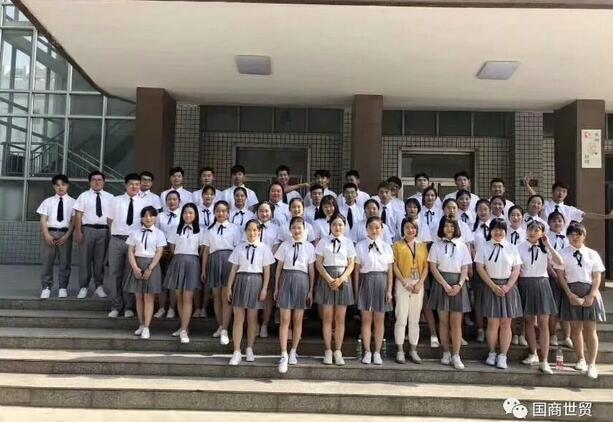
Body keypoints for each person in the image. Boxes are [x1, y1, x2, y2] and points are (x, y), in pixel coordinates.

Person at [554, 222, 606, 379]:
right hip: (571, 291)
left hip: (590, 291)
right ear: (568, 236)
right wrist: (569, 294)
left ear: (584, 236)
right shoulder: (562, 253)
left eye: (578, 234)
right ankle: (581, 359)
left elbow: (597, 276)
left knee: (590, 328)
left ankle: (592, 363)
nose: (575, 237)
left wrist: (591, 295)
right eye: (572, 234)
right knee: (576, 329)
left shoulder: (592, 254)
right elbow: (560, 277)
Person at [475, 218, 523, 369]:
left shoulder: (512, 247)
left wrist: (508, 286)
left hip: (508, 287)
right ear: (490, 231)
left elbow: (516, 268)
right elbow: (480, 268)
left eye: (501, 229)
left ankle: (503, 355)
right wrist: (492, 286)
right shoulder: (484, 246)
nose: (498, 232)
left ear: (505, 231)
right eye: (495, 229)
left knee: (506, 323)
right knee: (492, 322)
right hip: (490, 286)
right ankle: (492, 352)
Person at [517, 220, 563, 375]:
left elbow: (560, 261)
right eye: (530, 229)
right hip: (525, 283)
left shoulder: (546, 248)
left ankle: (544, 360)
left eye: (537, 230)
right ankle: (533, 353)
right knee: (529, 321)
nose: (532, 232)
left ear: (542, 233)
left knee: (543, 323)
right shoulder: (519, 247)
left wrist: (548, 244)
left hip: (542, 283)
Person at [227, 219, 275, 365]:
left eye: (255, 230)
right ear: (245, 231)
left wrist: (264, 288)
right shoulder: (239, 247)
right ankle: (236, 351)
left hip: (256, 281)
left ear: (259, 232)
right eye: (249, 230)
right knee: (238, 318)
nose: (252, 233)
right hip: (241, 280)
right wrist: (229, 287)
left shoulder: (264, 248)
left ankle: (249, 348)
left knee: (252, 318)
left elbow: (267, 271)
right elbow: (234, 269)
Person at [428, 216, 472, 370]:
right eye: (446, 226)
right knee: (443, 321)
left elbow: (465, 268)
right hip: (441, 284)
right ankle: (446, 352)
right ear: (442, 228)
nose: (449, 229)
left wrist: (459, 284)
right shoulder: (436, 246)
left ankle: (456, 355)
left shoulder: (462, 246)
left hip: (458, 284)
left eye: (452, 226)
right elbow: (433, 268)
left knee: (456, 323)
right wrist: (445, 285)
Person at [274, 217, 316, 373]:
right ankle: (283, 353)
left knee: (298, 320)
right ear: (290, 230)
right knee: (285, 319)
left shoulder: (309, 247)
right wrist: (276, 287)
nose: (297, 230)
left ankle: (293, 350)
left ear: (304, 230)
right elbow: (278, 268)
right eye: (294, 228)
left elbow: (311, 270)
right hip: (286, 279)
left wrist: (310, 290)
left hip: (302, 281)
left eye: (300, 228)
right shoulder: (285, 245)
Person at [314, 213, 355, 365]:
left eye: (340, 225)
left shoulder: (348, 242)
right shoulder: (323, 242)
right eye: (334, 224)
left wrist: (341, 278)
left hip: (343, 279)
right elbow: (319, 263)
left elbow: (351, 264)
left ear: (344, 226)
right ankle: (328, 350)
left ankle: (338, 350)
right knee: (327, 318)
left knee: (340, 318)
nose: (337, 227)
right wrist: (329, 279)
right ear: (330, 226)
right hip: (327, 279)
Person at [201, 200, 241, 345]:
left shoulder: (234, 229)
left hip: (229, 261)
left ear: (228, 213)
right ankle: (220, 325)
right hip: (214, 261)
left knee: (226, 296)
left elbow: (238, 248)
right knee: (216, 296)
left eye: (224, 211)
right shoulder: (209, 230)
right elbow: (206, 251)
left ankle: (225, 328)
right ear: (214, 213)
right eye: (218, 211)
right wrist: (203, 269)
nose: (221, 213)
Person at [163, 203, 202, 344]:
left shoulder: (201, 231)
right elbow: (172, 248)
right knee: (179, 296)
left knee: (188, 297)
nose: (187, 215)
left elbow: (202, 249)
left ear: (196, 215)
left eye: (191, 213)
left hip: (192, 262)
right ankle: (183, 326)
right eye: (185, 212)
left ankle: (184, 329)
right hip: (178, 261)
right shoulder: (175, 229)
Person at [125, 206, 166, 340]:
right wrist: (135, 268)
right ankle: (141, 324)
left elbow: (159, 252)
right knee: (138, 296)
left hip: (152, 265)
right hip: (137, 263)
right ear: (141, 218)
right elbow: (130, 251)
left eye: (151, 215)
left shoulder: (159, 233)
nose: (148, 218)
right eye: (145, 215)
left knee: (149, 297)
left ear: (155, 217)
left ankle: (147, 327)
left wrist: (150, 268)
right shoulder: (134, 232)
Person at [106, 173, 144, 318]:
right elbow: (109, 220)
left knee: (130, 274)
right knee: (114, 273)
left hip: (133, 243)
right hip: (116, 240)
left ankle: (129, 306)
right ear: (125, 185)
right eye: (131, 184)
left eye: (137, 184)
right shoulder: (116, 200)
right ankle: (116, 306)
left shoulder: (144, 203)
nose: (134, 187)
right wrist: (116, 234)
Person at [392, 216, 429, 364]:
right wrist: (404, 283)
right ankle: (400, 350)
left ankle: (413, 349)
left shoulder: (422, 246)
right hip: (403, 283)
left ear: (417, 230)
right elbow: (394, 265)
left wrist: (420, 283)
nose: (410, 230)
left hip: (418, 283)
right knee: (401, 317)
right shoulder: (397, 245)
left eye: (413, 227)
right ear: (403, 229)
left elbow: (426, 266)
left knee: (414, 319)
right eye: (407, 227)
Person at [73, 171, 113, 299]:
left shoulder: (111, 197)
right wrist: (78, 231)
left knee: (100, 261)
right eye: (94, 180)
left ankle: (99, 286)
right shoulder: (84, 196)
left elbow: (112, 217)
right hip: (87, 230)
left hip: (104, 231)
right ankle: (83, 287)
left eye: (99, 180)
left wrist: (112, 233)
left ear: (104, 182)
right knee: (84, 259)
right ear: (90, 182)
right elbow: (78, 215)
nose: (97, 182)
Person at [37, 174, 75, 299]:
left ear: (67, 186)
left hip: (65, 234)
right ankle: (46, 287)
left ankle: (63, 287)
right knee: (47, 262)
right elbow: (43, 219)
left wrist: (67, 235)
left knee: (65, 262)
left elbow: (73, 221)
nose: (60, 187)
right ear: (54, 186)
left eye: (63, 184)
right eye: (57, 185)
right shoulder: (47, 201)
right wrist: (46, 235)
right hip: (50, 233)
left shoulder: (74, 202)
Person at [254, 202, 282, 338]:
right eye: (261, 211)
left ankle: (264, 323)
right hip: (253, 263)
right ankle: (255, 323)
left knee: (268, 295)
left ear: (271, 213)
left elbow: (276, 247)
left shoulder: (276, 228)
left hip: (270, 263)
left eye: (267, 211)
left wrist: (265, 259)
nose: (264, 214)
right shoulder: (252, 226)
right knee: (254, 292)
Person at [546, 211, 573, 348]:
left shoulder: (568, 238)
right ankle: (553, 335)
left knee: (566, 306)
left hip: (567, 276)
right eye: (554, 221)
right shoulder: (545, 238)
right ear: (549, 223)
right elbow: (546, 260)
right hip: (552, 276)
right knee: (554, 307)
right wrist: (555, 275)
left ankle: (567, 337)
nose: (557, 223)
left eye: (560, 221)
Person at [154, 190, 181, 319]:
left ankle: (171, 308)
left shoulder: (183, 215)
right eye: (169, 199)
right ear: (165, 202)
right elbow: (156, 232)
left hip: (176, 250)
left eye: (175, 199)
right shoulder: (160, 216)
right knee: (162, 280)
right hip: (162, 250)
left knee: (173, 281)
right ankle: (161, 307)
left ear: (179, 201)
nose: (172, 201)